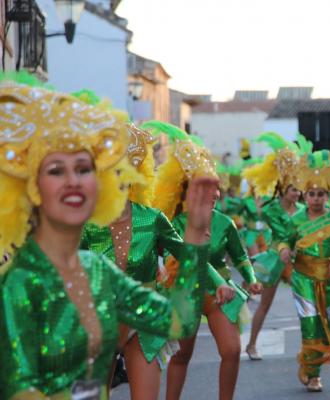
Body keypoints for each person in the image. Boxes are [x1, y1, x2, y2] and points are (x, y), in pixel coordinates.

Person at [0, 78, 217, 400]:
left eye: (84, 169)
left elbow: (179, 321)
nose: (73, 181)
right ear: (33, 188)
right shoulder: (19, 281)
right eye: (57, 170)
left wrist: (197, 236)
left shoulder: (98, 272)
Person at [144, 122, 261, 400]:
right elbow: (192, 259)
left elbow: (240, 254)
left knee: (231, 350)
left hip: (220, 293)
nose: (210, 191)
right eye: (200, 186)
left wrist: (252, 279)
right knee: (182, 355)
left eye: (211, 185)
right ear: (186, 191)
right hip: (185, 290)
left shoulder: (224, 222)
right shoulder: (174, 224)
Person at [279, 150, 330, 392]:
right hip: (303, 279)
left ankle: (309, 357)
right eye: (311, 194)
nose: (316, 199)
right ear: (305, 195)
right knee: (310, 324)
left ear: (327, 195)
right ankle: (313, 374)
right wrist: (283, 250)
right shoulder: (296, 220)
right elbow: (283, 241)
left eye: (320, 194)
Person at [242, 132, 305, 360]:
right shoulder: (271, 210)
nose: (297, 193)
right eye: (293, 189)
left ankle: (309, 348)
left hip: (298, 260)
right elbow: (283, 233)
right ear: (282, 190)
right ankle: (251, 345)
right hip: (277, 258)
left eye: (298, 189)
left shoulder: (302, 210)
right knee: (265, 306)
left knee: (306, 305)